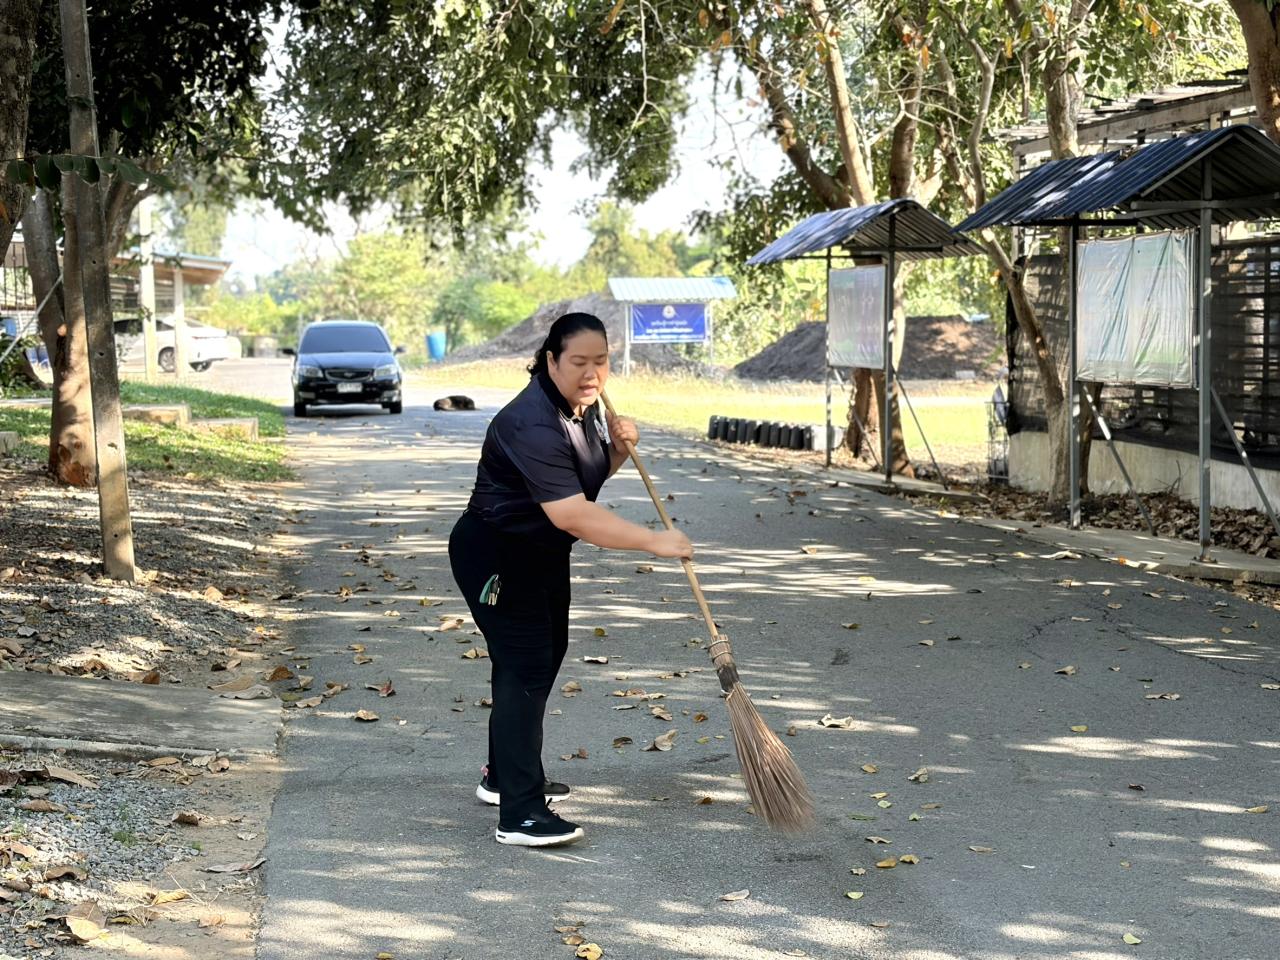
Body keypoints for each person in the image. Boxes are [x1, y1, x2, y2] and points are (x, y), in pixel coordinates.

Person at [448, 312, 693, 847]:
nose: (591, 373)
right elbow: (573, 514)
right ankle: (520, 814)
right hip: (497, 555)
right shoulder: (531, 422)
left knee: (542, 655)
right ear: (550, 360)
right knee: (526, 664)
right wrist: (654, 541)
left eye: (600, 361)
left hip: (540, 553)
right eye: (578, 361)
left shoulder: (582, 409)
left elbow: (577, 479)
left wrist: (617, 452)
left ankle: (503, 775)